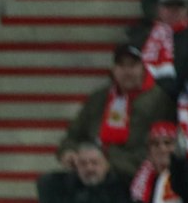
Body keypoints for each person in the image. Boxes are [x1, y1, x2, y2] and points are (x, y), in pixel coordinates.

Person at [64, 44, 173, 181]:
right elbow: (74, 134)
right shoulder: (99, 98)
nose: (127, 71)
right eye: (121, 66)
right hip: (92, 165)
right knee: (49, 182)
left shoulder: (158, 100)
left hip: (133, 173)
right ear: (114, 69)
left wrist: (110, 162)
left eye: (132, 65)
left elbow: (156, 149)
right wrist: (69, 152)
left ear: (142, 68)